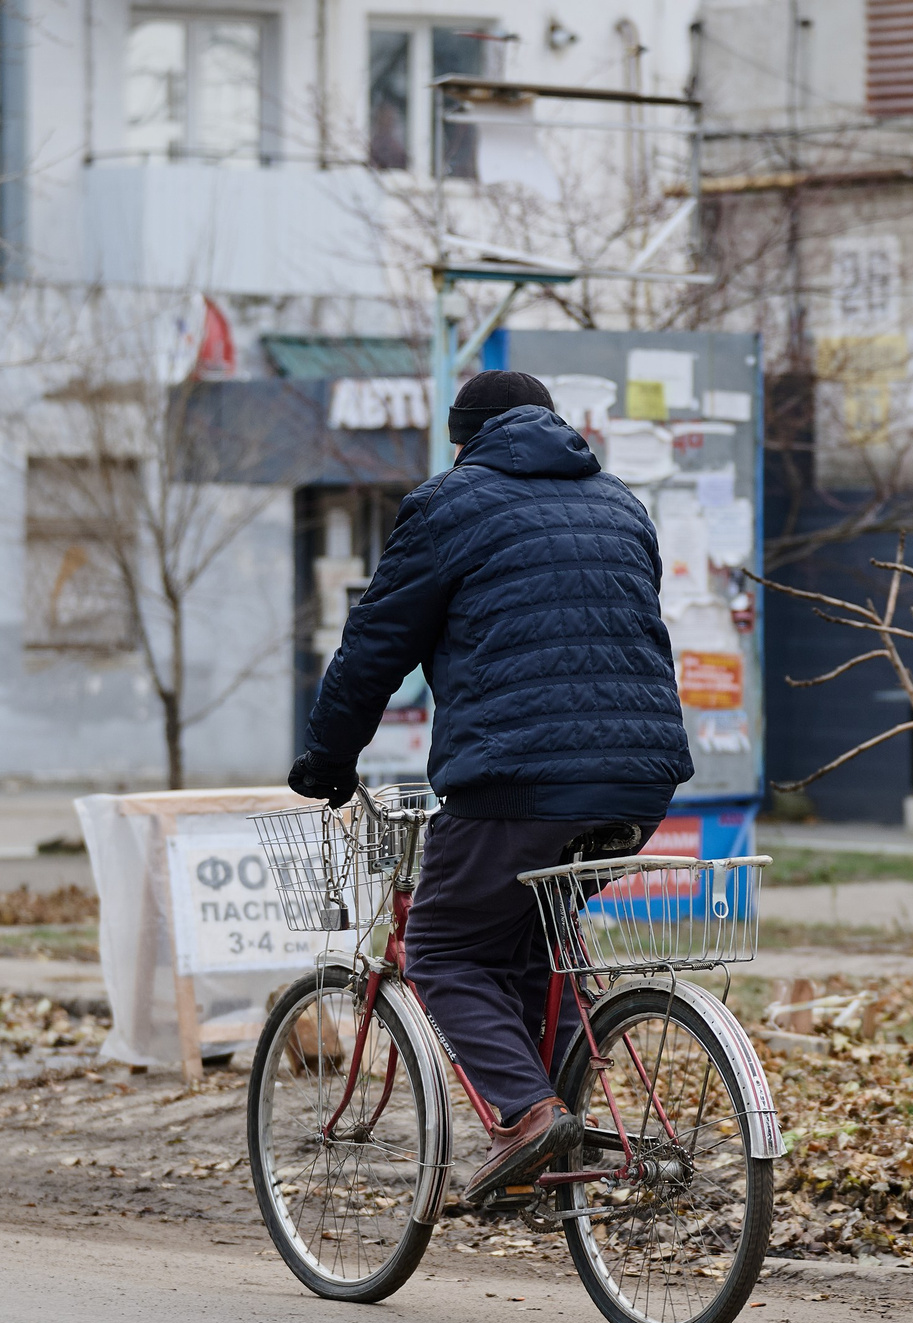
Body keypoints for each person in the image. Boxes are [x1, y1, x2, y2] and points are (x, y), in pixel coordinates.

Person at [288, 369, 694, 1203]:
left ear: (463, 438)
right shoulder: (620, 502)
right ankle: (557, 1153)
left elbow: (373, 648)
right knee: (528, 943)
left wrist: (328, 758)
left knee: (442, 946)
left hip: (520, 776)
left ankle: (527, 1112)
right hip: (641, 778)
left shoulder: (448, 506)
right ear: (555, 425)